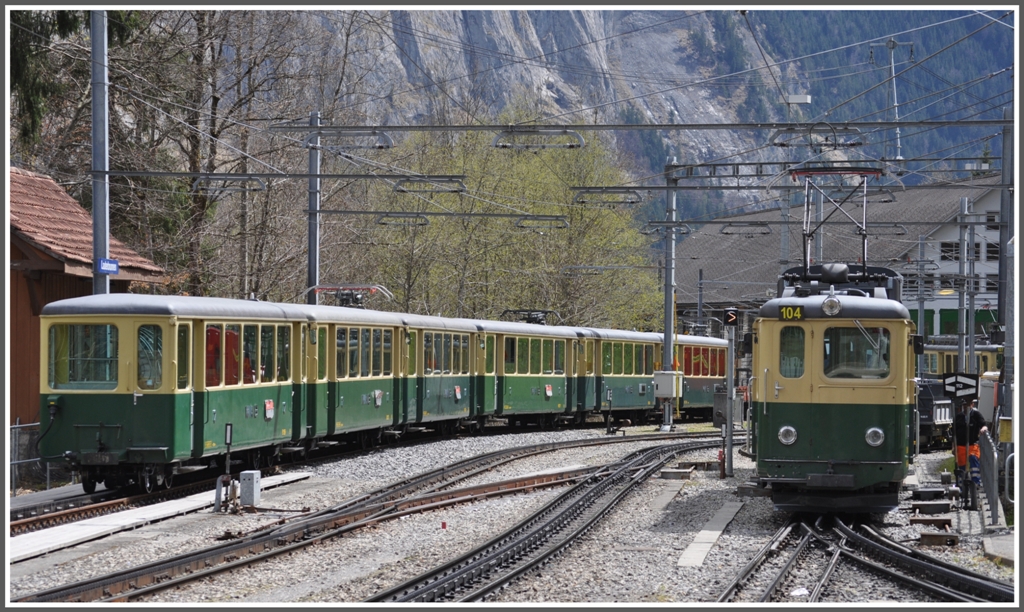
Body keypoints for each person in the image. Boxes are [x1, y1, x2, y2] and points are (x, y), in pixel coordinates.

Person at [952, 399, 988, 488]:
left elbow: (983, 424)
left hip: (973, 444)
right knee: (961, 465)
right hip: (960, 445)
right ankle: (961, 485)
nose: (965, 406)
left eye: (967, 404)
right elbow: (954, 433)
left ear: (972, 404)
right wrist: (953, 446)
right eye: (964, 404)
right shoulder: (959, 417)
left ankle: (976, 482)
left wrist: (983, 428)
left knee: (973, 458)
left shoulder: (976, 415)